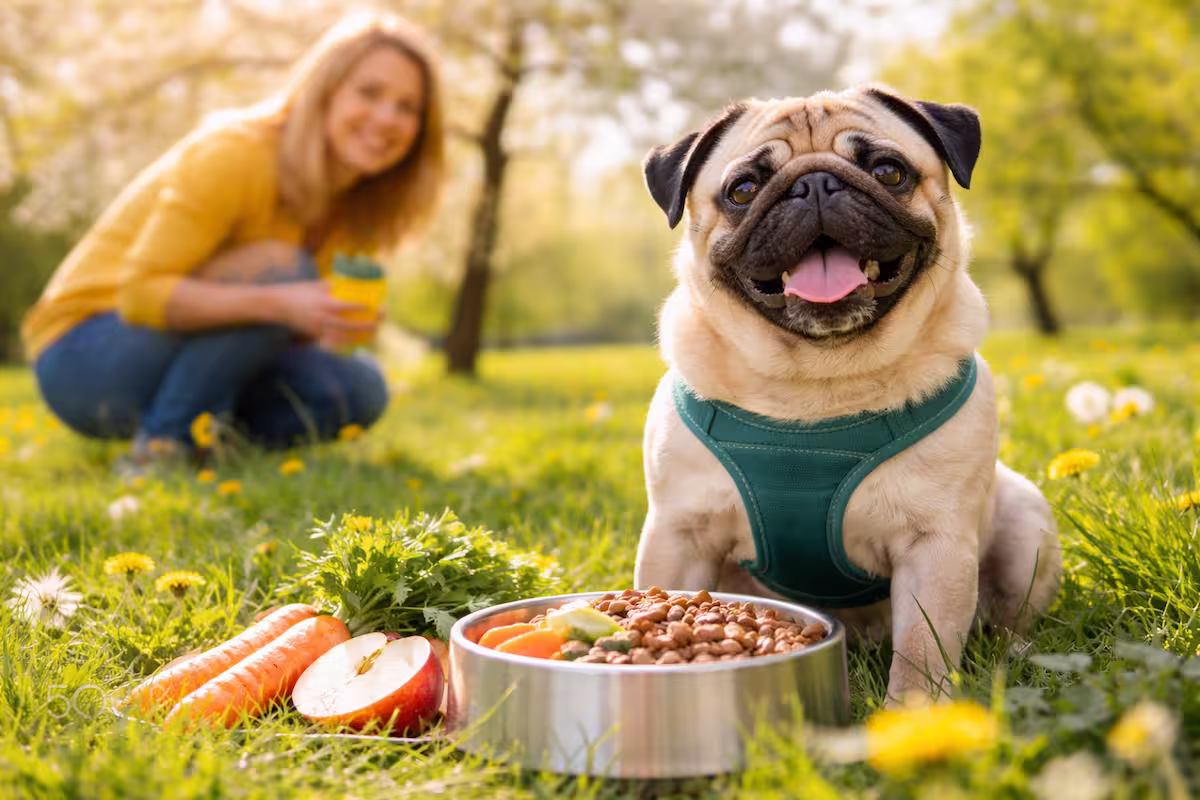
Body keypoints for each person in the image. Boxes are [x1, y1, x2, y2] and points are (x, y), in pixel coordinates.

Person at [20, 11, 444, 473]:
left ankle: (213, 442)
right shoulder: (237, 154)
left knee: (361, 387)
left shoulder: (360, 208)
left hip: (193, 357)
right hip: (87, 354)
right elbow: (141, 295)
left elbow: (276, 329)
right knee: (282, 268)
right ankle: (163, 449)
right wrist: (284, 303)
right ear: (325, 92)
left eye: (408, 107)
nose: (387, 118)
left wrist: (326, 323)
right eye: (369, 92)